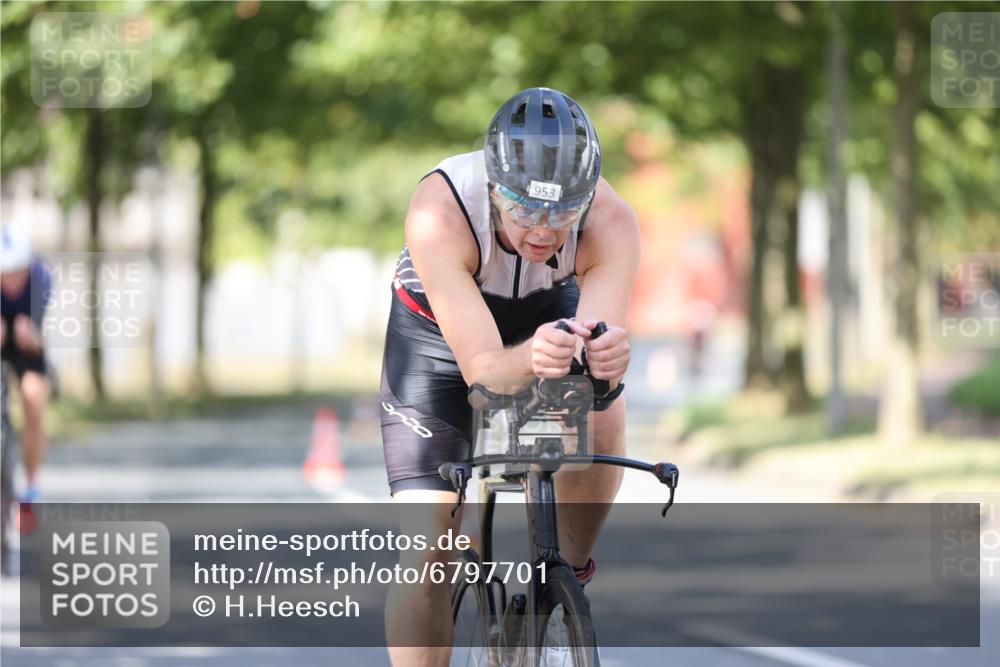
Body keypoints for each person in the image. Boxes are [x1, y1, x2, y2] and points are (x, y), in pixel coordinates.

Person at [379, 87, 638, 665]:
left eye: (564, 211)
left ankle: (564, 577)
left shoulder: (611, 220)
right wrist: (529, 360)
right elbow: (487, 375)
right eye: (523, 208)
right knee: (428, 549)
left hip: (546, 310)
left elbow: (600, 359)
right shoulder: (438, 212)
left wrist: (606, 362)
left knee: (607, 408)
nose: (544, 230)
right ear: (494, 187)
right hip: (438, 340)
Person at [0, 226, 52, 516]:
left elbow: (40, 336)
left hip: (26, 342)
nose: (11, 280)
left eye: (17, 272)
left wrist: (29, 335)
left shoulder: (42, 278)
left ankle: (30, 487)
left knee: (33, 399)